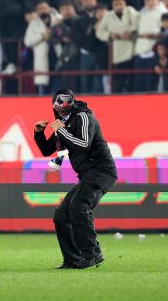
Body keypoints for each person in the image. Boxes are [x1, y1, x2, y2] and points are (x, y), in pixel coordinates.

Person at [32, 90, 117, 269]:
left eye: (66, 102)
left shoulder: (84, 117)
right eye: (60, 102)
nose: (63, 106)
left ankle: (92, 253)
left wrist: (61, 130)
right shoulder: (64, 123)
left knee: (79, 207)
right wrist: (38, 133)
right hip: (88, 175)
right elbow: (47, 150)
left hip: (101, 171)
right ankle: (72, 260)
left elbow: (84, 144)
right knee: (61, 215)